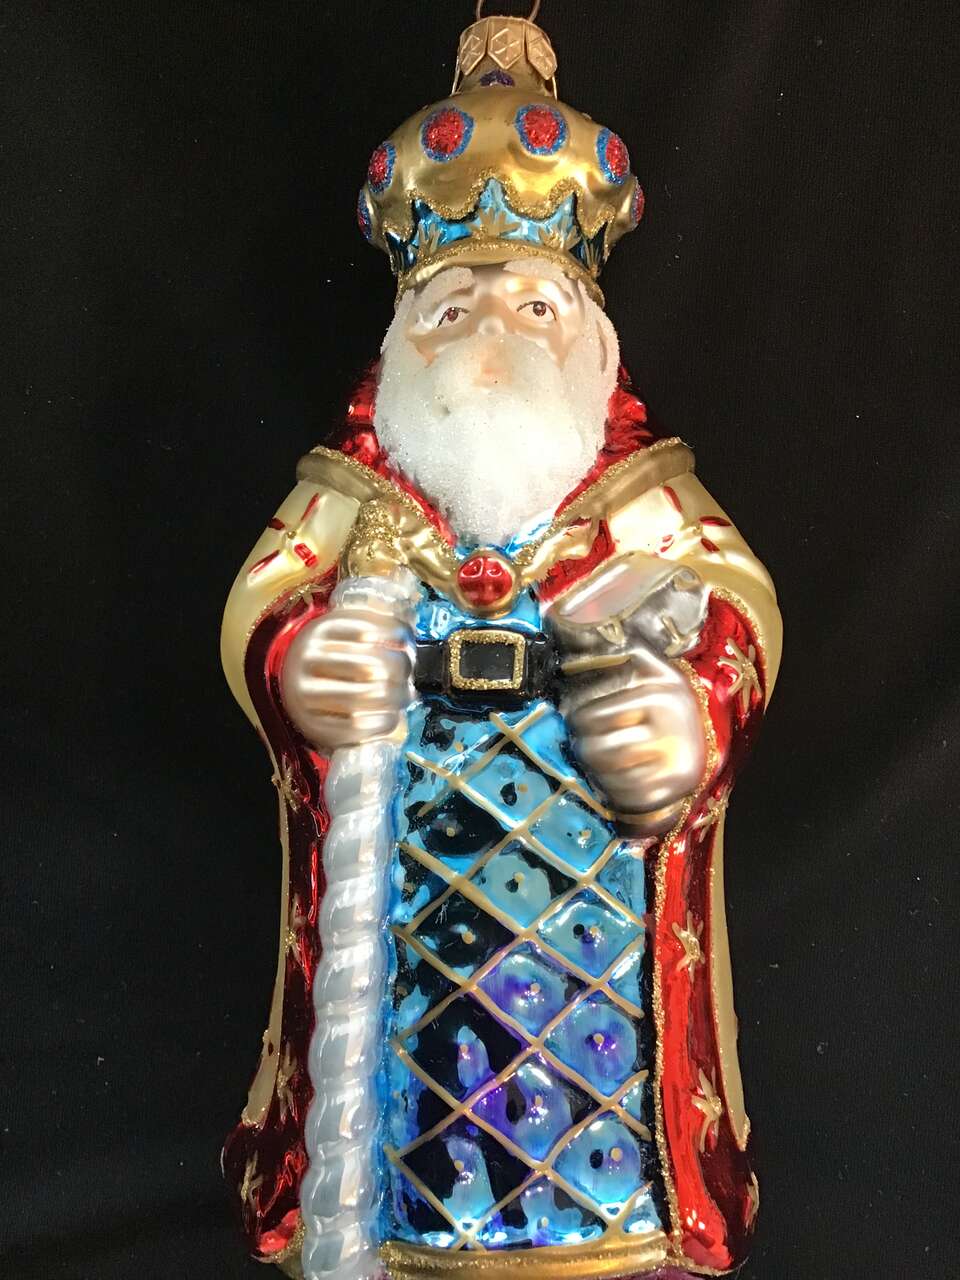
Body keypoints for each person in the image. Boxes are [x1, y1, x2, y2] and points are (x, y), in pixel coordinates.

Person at [220, 12, 782, 1280]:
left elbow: (736, 609)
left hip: (595, 940)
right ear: (399, 333)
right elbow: (262, 607)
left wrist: (687, 710)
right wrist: (300, 665)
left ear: (592, 338)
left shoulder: (640, 494)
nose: (491, 334)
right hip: (402, 916)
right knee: (401, 1104)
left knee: (593, 1115)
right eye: (452, 304)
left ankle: (617, 1228)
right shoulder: (351, 495)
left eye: (533, 303)